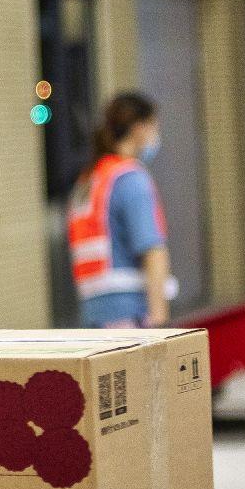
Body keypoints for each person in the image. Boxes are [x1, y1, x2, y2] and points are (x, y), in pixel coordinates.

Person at [67, 91, 171, 328]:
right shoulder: (131, 178)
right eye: (154, 126)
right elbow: (152, 251)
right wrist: (160, 322)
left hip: (93, 314)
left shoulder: (89, 180)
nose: (156, 135)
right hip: (131, 314)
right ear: (139, 128)